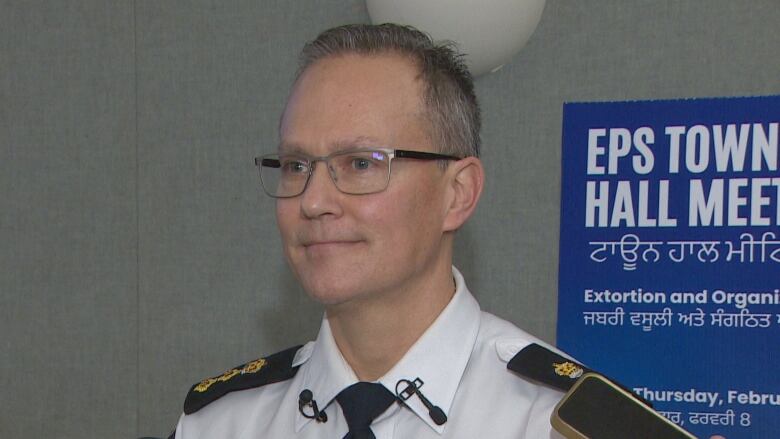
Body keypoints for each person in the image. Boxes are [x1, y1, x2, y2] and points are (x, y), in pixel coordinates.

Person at [171, 23, 570, 438]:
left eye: (361, 163)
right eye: (296, 166)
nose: (313, 202)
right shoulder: (222, 424)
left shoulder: (556, 421)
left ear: (457, 193)